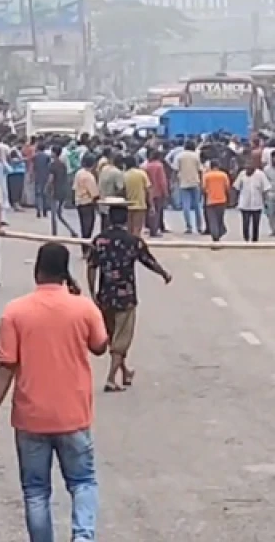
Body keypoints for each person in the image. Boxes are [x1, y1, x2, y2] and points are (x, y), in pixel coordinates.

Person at [0, 242, 108, 542]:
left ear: (37, 271)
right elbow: (100, 346)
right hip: (73, 417)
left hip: (30, 420)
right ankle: (83, 537)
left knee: (36, 491)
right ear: (66, 272)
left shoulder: (15, 312)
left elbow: (5, 366)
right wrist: (84, 302)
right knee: (83, 482)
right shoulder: (83, 308)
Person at [86, 200, 172, 392]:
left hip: (105, 295)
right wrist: (164, 274)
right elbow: (148, 261)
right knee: (122, 339)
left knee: (114, 336)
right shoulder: (133, 241)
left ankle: (125, 372)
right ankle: (111, 379)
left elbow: (91, 267)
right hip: (126, 296)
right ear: (126, 219)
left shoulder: (99, 241)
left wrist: (92, 292)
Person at [234, 161, 269, 243]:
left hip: (257, 203)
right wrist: (236, 200)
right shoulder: (242, 174)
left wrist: (266, 201)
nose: (248, 171)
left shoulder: (260, 175)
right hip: (244, 203)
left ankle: (255, 240)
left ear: (254, 168)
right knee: (245, 223)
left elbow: (265, 189)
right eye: (246, 169)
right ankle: (246, 239)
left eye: (249, 169)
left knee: (256, 223)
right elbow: (237, 187)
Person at [174, 141, 204, 235]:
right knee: (197, 206)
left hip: (183, 183)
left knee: (186, 206)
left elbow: (175, 170)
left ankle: (189, 227)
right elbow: (200, 170)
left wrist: (174, 181)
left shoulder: (179, 156)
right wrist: (201, 182)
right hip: (195, 182)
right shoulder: (196, 156)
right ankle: (199, 227)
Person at [203, 159, 231, 242]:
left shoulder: (206, 176)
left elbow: (204, 188)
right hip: (222, 200)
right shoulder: (223, 175)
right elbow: (227, 188)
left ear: (211, 166)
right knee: (219, 219)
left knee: (212, 220)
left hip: (210, 201)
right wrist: (228, 199)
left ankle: (215, 236)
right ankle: (220, 232)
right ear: (218, 166)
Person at [121, 157, 150, 237]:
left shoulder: (124, 175)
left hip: (128, 205)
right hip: (140, 205)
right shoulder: (142, 173)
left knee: (129, 229)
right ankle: (135, 242)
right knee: (137, 228)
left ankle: (129, 242)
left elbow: (122, 190)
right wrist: (151, 204)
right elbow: (148, 189)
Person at [143, 149, 169, 237]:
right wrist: (165, 192)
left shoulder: (147, 166)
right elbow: (162, 181)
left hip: (149, 191)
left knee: (150, 211)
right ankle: (154, 230)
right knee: (157, 211)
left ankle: (151, 228)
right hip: (158, 191)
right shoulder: (159, 166)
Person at [74, 153, 100, 239]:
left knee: (83, 226)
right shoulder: (89, 176)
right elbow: (94, 193)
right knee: (88, 227)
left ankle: (83, 244)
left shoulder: (79, 173)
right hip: (87, 203)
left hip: (79, 202)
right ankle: (86, 245)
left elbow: (74, 188)